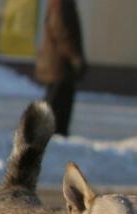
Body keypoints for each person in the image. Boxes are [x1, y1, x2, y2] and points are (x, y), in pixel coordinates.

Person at [35, 0, 85, 136]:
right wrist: (75, 57)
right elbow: (63, 31)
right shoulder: (62, 3)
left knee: (54, 103)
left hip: (58, 63)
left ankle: (47, 135)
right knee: (57, 104)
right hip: (60, 64)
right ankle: (50, 136)